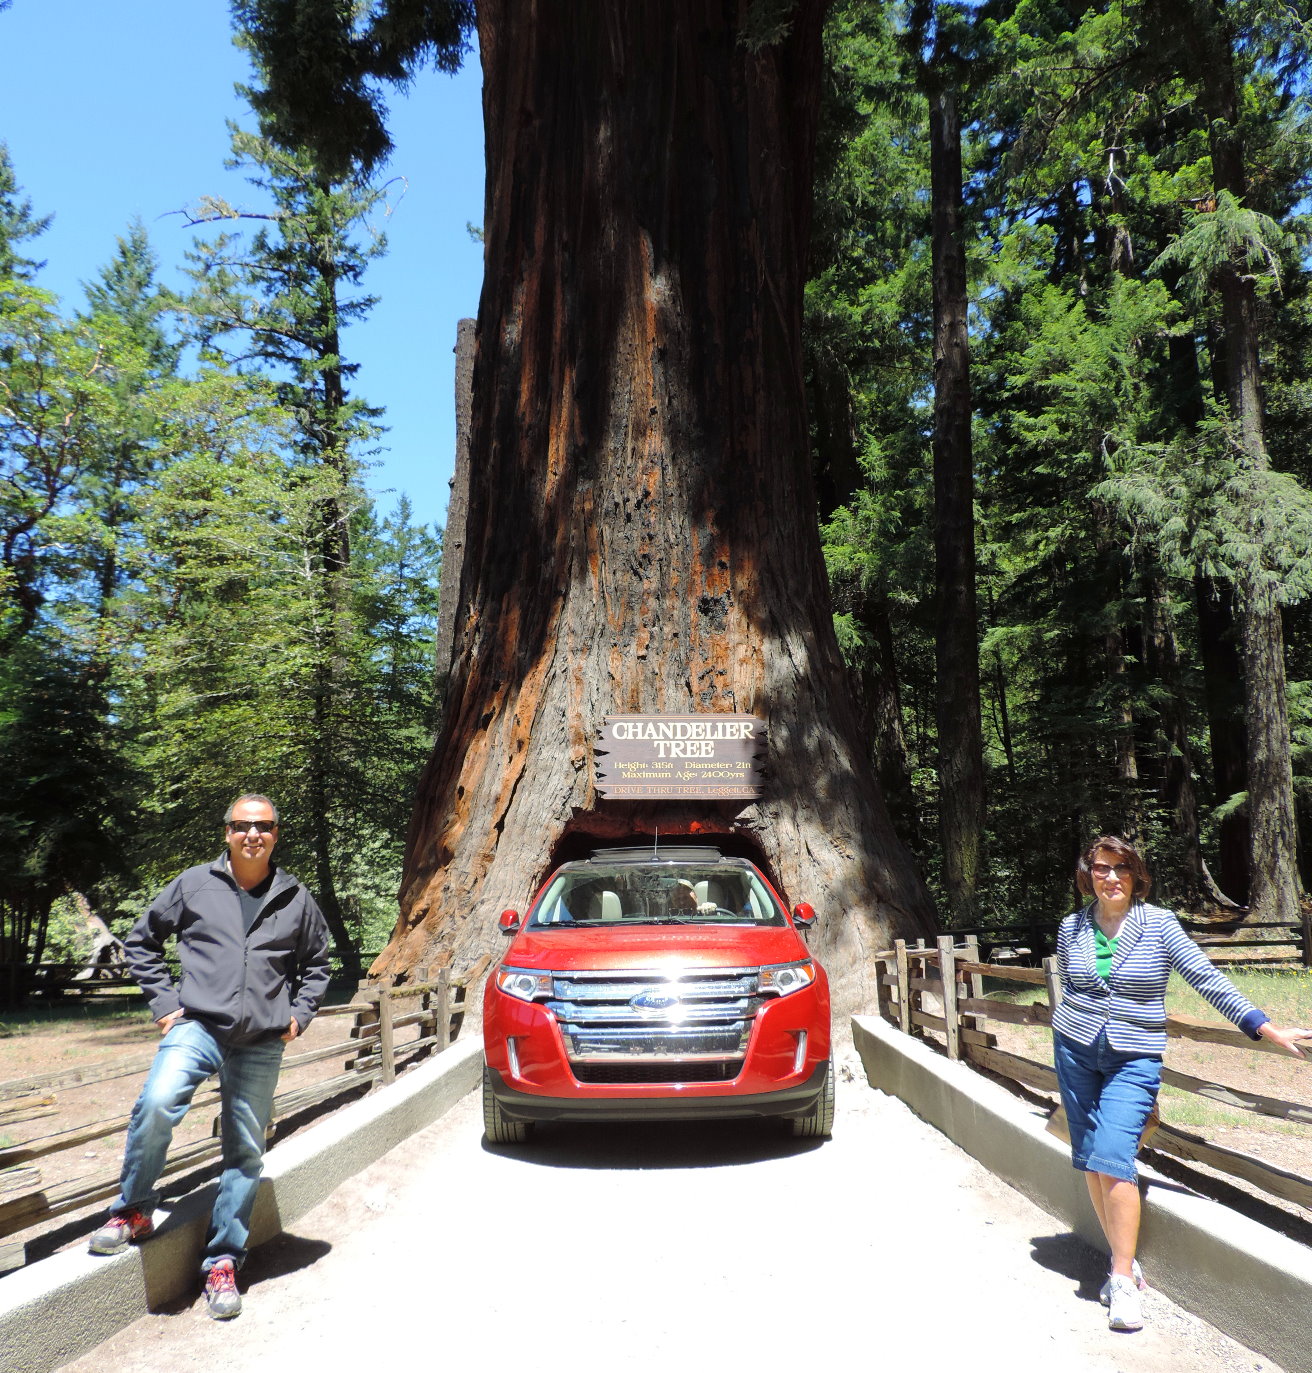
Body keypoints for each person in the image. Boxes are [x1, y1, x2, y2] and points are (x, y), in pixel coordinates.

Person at [1050, 835, 1309, 1334]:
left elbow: (1206, 979)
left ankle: (1121, 1280)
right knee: (1089, 1157)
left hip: (1134, 1057)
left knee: (1112, 1154)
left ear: (1136, 874)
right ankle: (1123, 1259)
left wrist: (1263, 1025)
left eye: (1121, 868)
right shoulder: (1071, 927)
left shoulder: (1160, 924)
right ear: (1088, 874)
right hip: (1075, 1051)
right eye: (1102, 868)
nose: (1111, 878)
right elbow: (1073, 988)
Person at [87, 795, 330, 1321]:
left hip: (261, 1039)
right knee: (158, 1102)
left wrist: (299, 1015)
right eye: (242, 825)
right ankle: (133, 1210)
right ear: (227, 832)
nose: (252, 834)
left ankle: (222, 1260)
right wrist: (165, 1005)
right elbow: (142, 942)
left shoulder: (295, 897)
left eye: (262, 826)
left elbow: (317, 963)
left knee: (246, 1149)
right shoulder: (194, 884)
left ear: (276, 834)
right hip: (197, 1025)